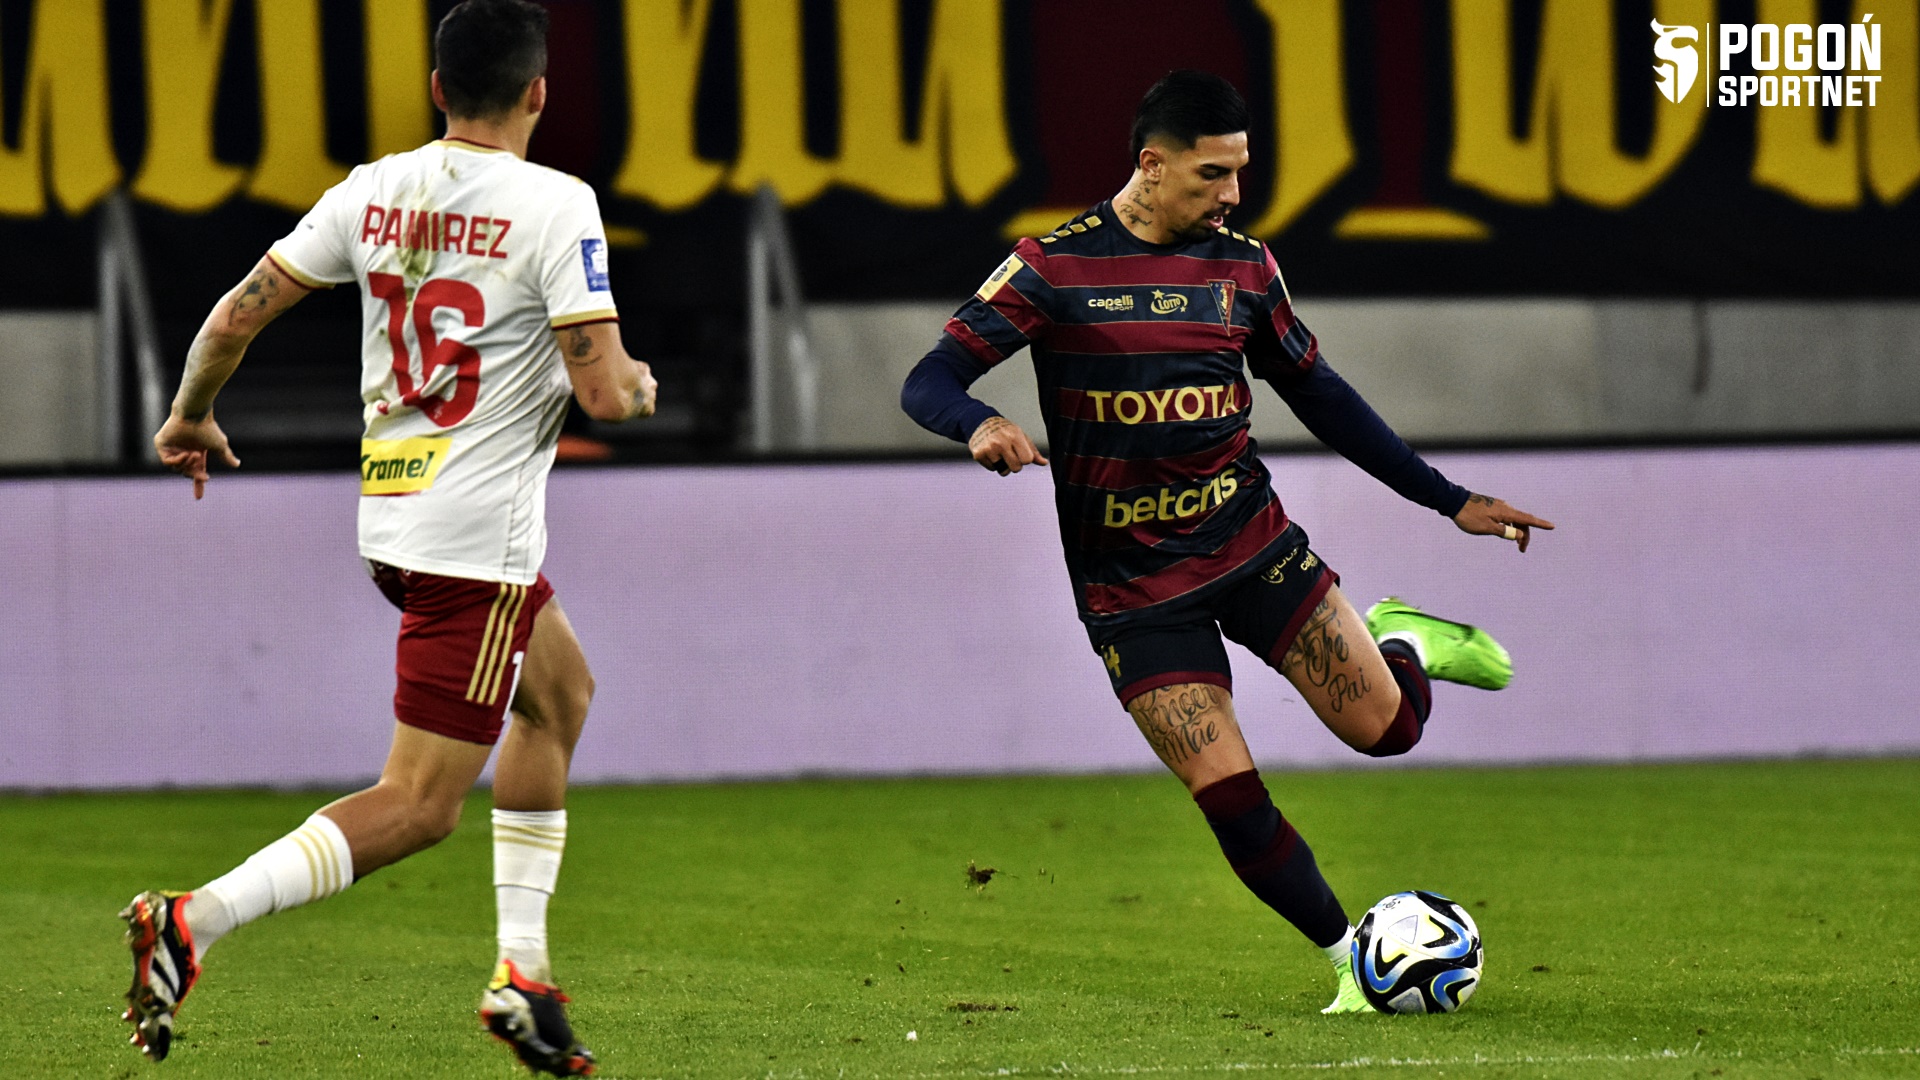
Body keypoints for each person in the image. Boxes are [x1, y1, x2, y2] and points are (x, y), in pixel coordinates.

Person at [899, 70, 1553, 1013]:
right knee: (1229, 794)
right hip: (1132, 591)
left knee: (1389, 732)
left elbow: (1322, 396)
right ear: (1151, 166)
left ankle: (1402, 638)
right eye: (1213, 174)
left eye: (1240, 171)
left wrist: (1449, 500)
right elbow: (929, 376)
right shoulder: (1053, 267)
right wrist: (977, 423)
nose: (1234, 194)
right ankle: (1351, 964)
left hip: (1253, 548)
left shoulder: (1243, 270)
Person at [120, 1, 654, 1072]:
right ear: (539, 93)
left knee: (559, 697)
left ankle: (522, 974)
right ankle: (193, 919)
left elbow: (238, 312)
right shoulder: (557, 204)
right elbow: (603, 393)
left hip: (398, 523)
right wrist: (638, 386)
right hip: (475, 550)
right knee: (419, 804)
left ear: (437, 89)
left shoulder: (372, 189)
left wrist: (188, 414)